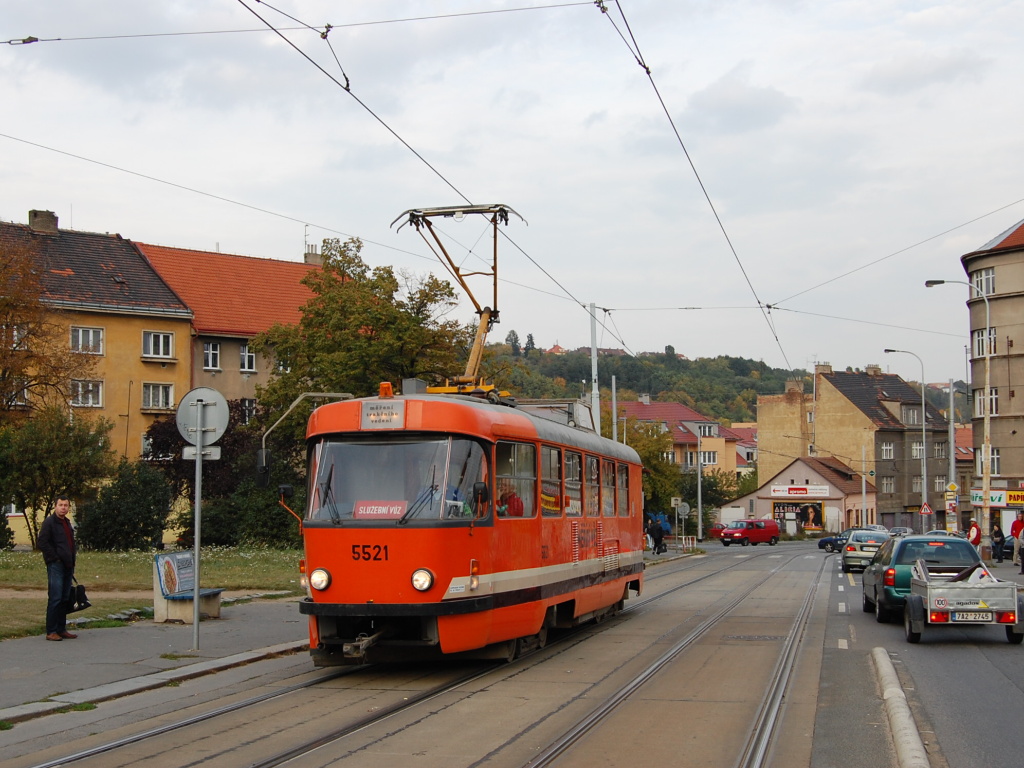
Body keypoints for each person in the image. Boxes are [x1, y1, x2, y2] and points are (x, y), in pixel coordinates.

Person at [37, 495, 78, 641]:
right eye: (61, 505)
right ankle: (51, 630)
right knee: (55, 597)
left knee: (65, 598)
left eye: (66, 505)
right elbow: (42, 542)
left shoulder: (67, 523)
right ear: (55, 506)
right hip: (56, 565)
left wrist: (72, 560)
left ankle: (61, 629)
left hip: (68, 565)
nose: (63, 508)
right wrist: (54, 558)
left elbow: (70, 544)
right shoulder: (49, 523)